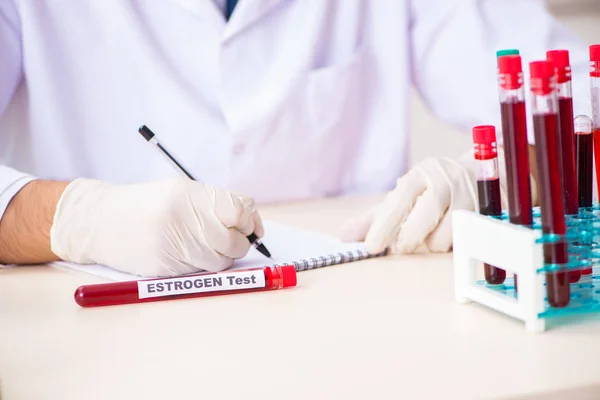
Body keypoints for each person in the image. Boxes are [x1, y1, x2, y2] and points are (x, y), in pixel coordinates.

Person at [0, 0, 591, 277]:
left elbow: (580, 96)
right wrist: (74, 219)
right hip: (103, 341)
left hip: (352, 320)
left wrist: (521, 176)